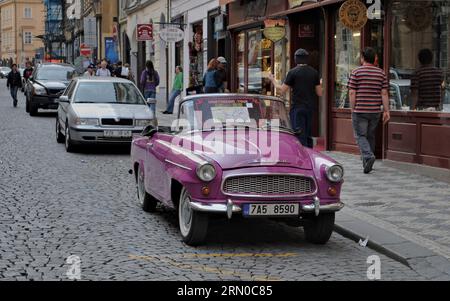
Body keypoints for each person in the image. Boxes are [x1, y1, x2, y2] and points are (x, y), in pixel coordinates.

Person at [268, 48, 323, 148]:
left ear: (296, 59)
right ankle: (309, 155)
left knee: (298, 133)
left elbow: (281, 91)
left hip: (297, 107)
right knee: (308, 134)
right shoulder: (314, 73)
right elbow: (320, 93)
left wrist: (272, 80)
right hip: (310, 108)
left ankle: (301, 155)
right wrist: (321, 83)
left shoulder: (293, 72)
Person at [348, 47, 390, 174]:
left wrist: (352, 108)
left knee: (360, 135)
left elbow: (351, 92)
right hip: (375, 111)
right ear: (374, 59)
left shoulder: (356, 72)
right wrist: (386, 111)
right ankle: (368, 163)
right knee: (370, 135)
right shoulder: (381, 73)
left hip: (360, 110)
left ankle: (368, 156)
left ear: (362, 58)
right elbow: (384, 93)